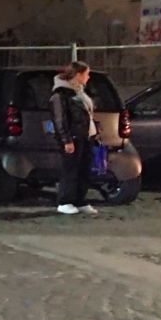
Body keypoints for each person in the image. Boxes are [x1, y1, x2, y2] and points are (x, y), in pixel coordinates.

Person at [50, 61, 100, 216]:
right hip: (73, 137)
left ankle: (80, 200)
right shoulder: (60, 95)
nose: (88, 77)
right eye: (86, 74)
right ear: (78, 75)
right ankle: (65, 201)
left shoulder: (81, 92)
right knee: (70, 169)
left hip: (86, 136)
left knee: (84, 169)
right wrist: (66, 140)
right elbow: (60, 120)